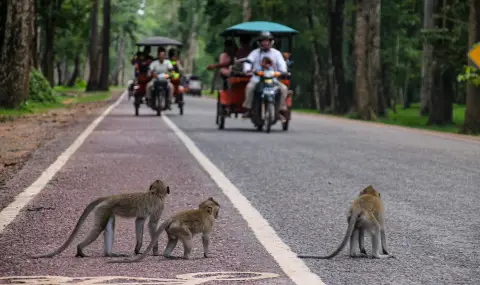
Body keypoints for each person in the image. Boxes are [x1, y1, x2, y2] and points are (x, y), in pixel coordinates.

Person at [242, 31, 289, 118]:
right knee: (249, 87)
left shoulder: (276, 53)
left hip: (273, 79)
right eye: (263, 41)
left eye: (267, 41)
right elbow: (248, 61)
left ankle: (280, 109)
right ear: (259, 42)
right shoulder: (255, 53)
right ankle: (248, 108)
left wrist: (283, 71)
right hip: (257, 79)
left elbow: (282, 64)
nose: (265, 43)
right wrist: (247, 69)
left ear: (271, 42)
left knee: (284, 88)